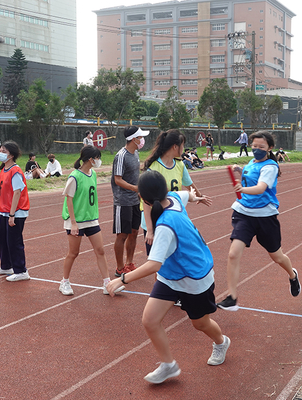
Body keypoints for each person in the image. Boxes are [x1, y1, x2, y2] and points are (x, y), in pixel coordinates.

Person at [106, 171, 230, 384]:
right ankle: (168, 365)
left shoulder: (164, 226)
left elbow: (153, 264)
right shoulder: (172, 197)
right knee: (150, 320)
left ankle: (221, 342)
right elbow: (186, 194)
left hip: (195, 277)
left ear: (143, 199)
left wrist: (122, 279)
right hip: (171, 276)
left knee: (200, 324)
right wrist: (195, 197)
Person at [217, 130, 301, 311]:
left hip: (265, 217)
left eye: (261, 147)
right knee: (233, 254)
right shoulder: (251, 162)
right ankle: (232, 297)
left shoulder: (270, 167)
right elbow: (250, 175)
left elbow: (261, 188)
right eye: (253, 146)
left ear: (269, 148)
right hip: (244, 213)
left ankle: (292, 275)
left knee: (277, 256)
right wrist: (240, 171)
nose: (256, 150)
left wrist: (242, 188)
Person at [59, 145, 125, 296]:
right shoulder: (74, 176)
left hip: (91, 219)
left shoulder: (93, 174)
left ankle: (107, 283)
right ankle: (64, 282)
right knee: (73, 253)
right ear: (90, 159)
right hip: (76, 221)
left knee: (100, 250)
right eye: (97, 158)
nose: (99, 161)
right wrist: (74, 223)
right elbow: (69, 200)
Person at [142, 129, 212, 252]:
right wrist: (150, 230)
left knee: (173, 258)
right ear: (175, 147)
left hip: (172, 217)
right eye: (182, 145)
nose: (184, 148)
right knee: (158, 261)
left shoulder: (179, 165)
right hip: (155, 220)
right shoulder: (153, 169)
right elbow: (146, 203)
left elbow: (189, 185)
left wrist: (200, 197)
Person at [111, 125, 148, 276]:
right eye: (140, 137)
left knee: (134, 232)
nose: (142, 140)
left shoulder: (136, 153)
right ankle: (120, 268)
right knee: (122, 235)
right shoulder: (121, 156)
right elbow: (117, 180)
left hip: (135, 201)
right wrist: (135, 189)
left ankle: (129, 263)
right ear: (134, 139)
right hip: (123, 201)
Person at [0, 141, 31, 282]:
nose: (0, 153)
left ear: (11, 155)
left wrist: (12, 214)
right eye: (0, 150)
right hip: (5, 211)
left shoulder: (15, 171)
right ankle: (6, 266)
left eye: (4, 151)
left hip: (16, 212)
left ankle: (21, 270)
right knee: (2, 239)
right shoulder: (4, 169)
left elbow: (17, 193)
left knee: (14, 241)